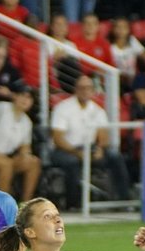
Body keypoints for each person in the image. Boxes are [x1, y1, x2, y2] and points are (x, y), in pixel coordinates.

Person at [50, 76, 132, 207]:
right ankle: (73, 204)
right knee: (72, 162)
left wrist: (100, 149)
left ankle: (124, 200)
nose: (85, 91)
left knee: (115, 157)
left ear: (93, 91)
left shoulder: (98, 110)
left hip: (90, 148)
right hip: (66, 149)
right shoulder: (63, 108)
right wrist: (76, 152)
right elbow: (58, 138)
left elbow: (103, 136)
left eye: (88, 88)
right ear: (75, 90)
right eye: (82, 88)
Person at [0, 85, 42, 203]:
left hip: (7, 157)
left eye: (29, 98)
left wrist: (25, 155)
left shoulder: (27, 122)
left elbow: (25, 147)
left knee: (34, 162)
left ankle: (26, 204)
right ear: (14, 96)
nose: (25, 100)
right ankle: (4, 204)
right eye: (22, 96)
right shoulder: (0, 108)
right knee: (6, 164)